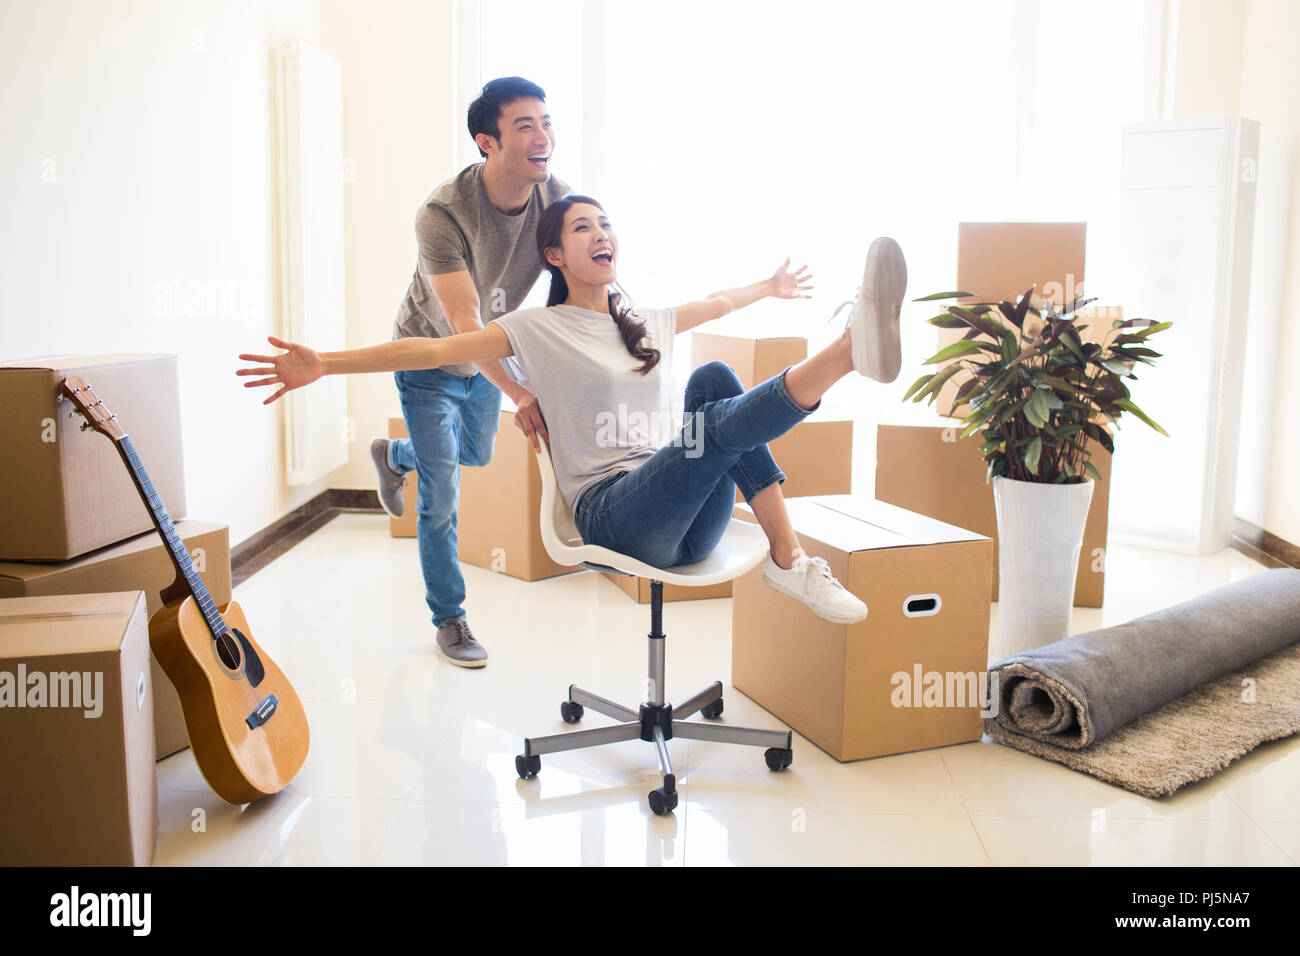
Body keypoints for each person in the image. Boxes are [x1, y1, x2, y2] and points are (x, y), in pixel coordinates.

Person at [238, 196, 908, 623]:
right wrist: (326, 363)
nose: (600, 231)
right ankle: (850, 352)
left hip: (684, 520)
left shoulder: (644, 320)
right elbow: (428, 349)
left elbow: (721, 301)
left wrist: (772, 285)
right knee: (710, 428)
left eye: (606, 222)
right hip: (613, 515)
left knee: (712, 378)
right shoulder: (536, 328)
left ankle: (787, 560)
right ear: (556, 254)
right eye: (582, 226)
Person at [373, 76, 570, 668]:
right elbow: (464, 321)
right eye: (524, 125)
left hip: (489, 355)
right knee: (442, 497)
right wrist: (517, 391)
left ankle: (396, 456)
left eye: (546, 120)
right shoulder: (443, 213)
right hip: (430, 357)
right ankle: (450, 619)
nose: (543, 136)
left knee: (476, 454)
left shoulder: (554, 198)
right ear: (487, 141)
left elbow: (572, 284)